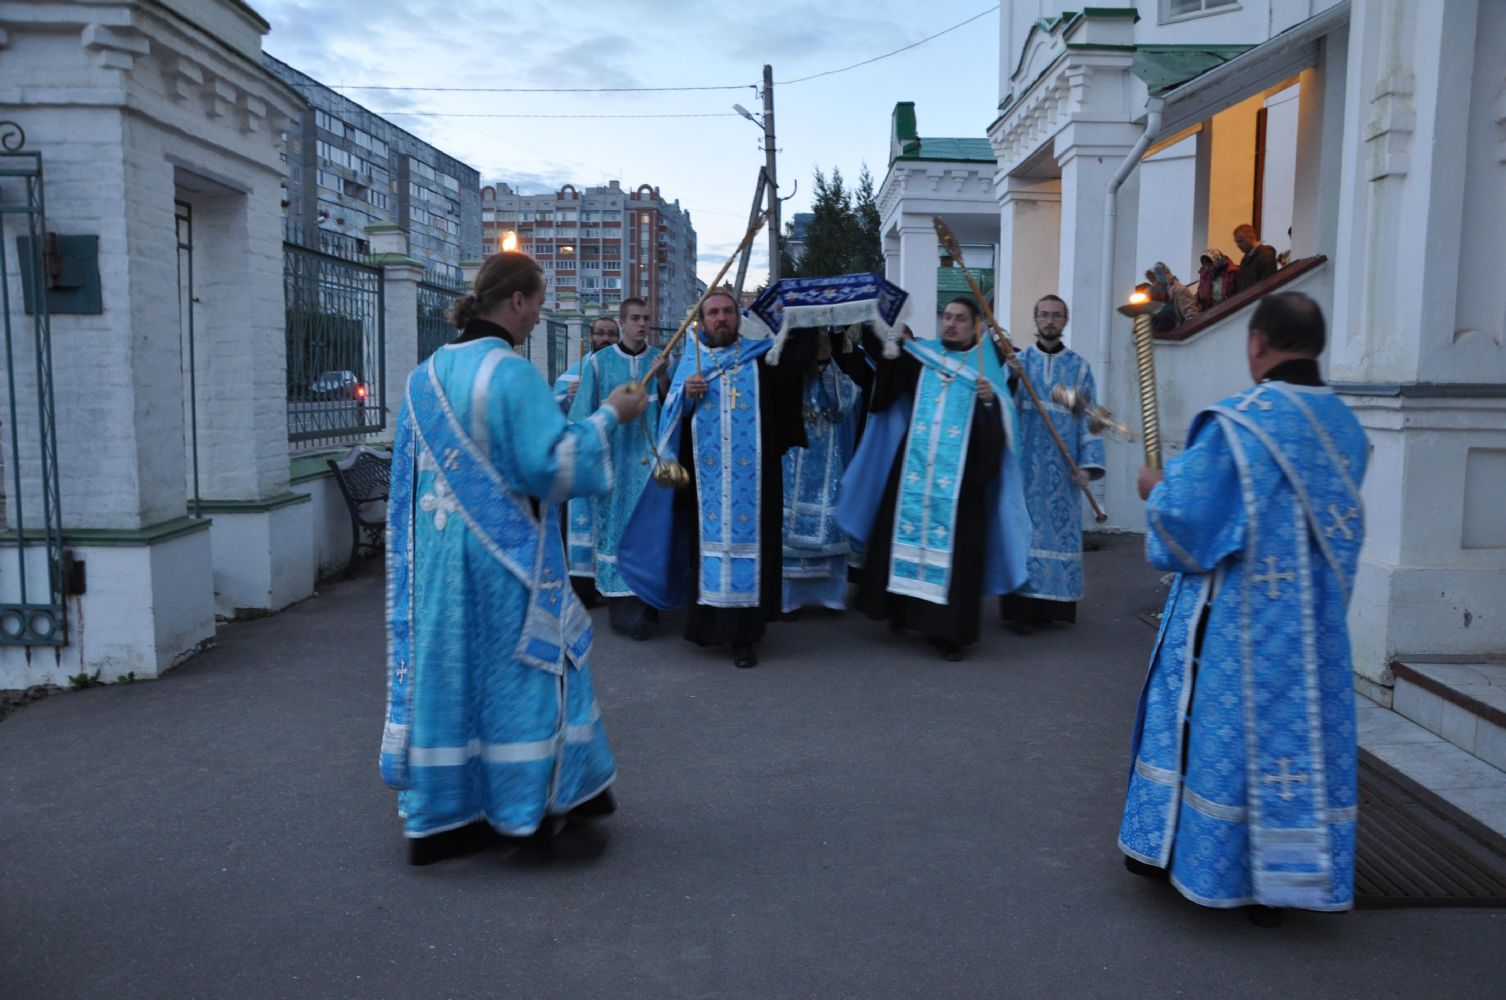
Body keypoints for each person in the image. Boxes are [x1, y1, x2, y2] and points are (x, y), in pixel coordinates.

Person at [381, 251, 649, 864]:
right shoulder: (512, 372)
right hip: (505, 565)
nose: (537, 318)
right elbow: (552, 465)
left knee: (453, 676)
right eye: (538, 303)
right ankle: (525, 807)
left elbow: (407, 483)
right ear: (519, 301)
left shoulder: (423, 376)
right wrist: (612, 414)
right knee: (525, 678)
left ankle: (444, 818)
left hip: (438, 565)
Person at [1118, 292, 1368, 924]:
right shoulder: (1345, 427)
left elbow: (1188, 526)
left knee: (1220, 741)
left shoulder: (1242, 421)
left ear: (1257, 343)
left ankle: (1201, 865)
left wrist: (1158, 489)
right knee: (1295, 750)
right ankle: (1281, 882)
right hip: (1311, 629)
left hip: (1235, 623)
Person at [618, 289, 816, 668]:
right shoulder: (691, 360)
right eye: (714, 313)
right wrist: (686, 396)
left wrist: (796, 312)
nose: (721, 318)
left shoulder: (761, 358)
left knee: (752, 554)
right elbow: (670, 418)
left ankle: (745, 638)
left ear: (737, 317)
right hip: (705, 485)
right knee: (704, 553)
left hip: (754, 483)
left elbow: (797, 367)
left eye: (727, 311)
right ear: (703, 321)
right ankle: (708, 628)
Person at [836, 298, 1031, 661]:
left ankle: (948, 633)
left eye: (960, 319)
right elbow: (887, 379)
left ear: (975, 326)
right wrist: (883, 325)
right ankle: (901, 611)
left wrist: (990, 403)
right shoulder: (923, 357)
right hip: (913, 472)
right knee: (899, 542)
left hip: (960, 482)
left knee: (956, 558)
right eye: (948, 317)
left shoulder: (986, 368)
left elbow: (1004, 429)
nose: (951, 324)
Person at [999, 295, 1104, 632]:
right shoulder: (1018, 362)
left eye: (1056, 315)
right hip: (1023, 469)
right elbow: (1000, 407)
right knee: (1022, 536)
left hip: (1062, 471)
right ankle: (1020, 612)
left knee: (1056, 536)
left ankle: (1049, 609)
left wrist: (1087, 466)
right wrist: (1012, 379)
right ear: (1035, 319)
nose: (1049, 321)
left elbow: (1090, 419)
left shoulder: (1079, 368)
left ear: (1065, 321)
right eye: (1044, 314)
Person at [567, 298, 665, 640]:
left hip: (649, 466)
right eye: (635, 318)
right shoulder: (599, 363)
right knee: (617, 534)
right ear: (623, 323)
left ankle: (648, 603)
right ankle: (624, 609)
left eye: (646, 318)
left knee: (647, 534)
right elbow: (581, 417)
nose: (642, 324)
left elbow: (671, 411)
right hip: (615, 463)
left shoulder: (659, 359)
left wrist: (664, 378)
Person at [781, 331, 862, 616]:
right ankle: (789, 600)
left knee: (828, 526)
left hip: (825, 456)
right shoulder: (786, 366)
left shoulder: (832, 367)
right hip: (791, 456)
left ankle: (828, 597)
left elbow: (844, 404)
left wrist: (826, 362)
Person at [553, 316, 619, 411]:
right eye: (600, 333)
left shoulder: (627, 370)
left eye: (612, 334)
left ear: (618, 339)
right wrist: (570, 398)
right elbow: (553, 410)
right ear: (591, 337)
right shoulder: (571, 377)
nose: (606, 338)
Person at [1145, 263, 1199, 334]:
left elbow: (1191, 315)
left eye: (1158, 274)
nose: (1154, 283)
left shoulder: (1179, 290)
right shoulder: (1162, 290)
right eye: (1152, 280)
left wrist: (1181, 334)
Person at [1232, 224, 1278, 293]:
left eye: (1240, 241)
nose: (1238, 245)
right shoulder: (1247, 257)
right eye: (1237, 242)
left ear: (1251, 237)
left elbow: (1268, 286)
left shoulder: (1266, 256)